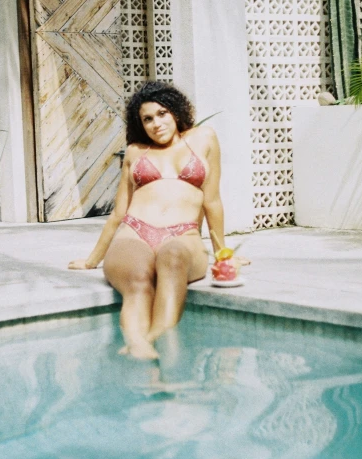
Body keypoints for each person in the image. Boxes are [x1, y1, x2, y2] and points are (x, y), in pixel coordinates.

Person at [68, 81, 247, 359]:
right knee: (138, 280)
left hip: (182, 235)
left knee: (173, 259)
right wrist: (92, 260)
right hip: (135, 232)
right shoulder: (136, 152)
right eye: (147, 119)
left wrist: (223, 255)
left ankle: (151, 340)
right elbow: (118, 214)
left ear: (175, 112)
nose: (156, 123)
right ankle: (137, 341)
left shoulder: (204, 138)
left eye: (162, 113)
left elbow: (212, 202)